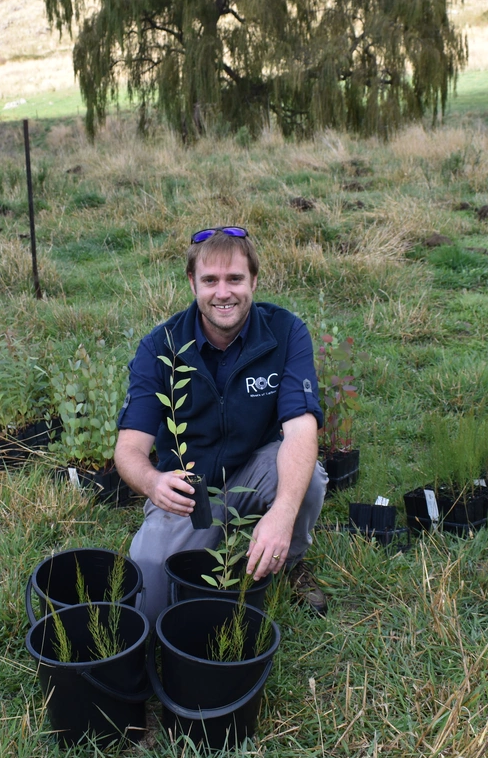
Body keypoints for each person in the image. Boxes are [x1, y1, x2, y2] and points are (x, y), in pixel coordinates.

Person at [114, 225, 329, 621]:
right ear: (192, 283)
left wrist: (282, 514)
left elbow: (301, 429)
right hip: (189, 490)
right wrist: (152, 483)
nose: (223, 293)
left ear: (254, 281)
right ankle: (210, 539)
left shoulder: (284, 332)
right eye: (210, 280)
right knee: (150, 590)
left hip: (255, 468)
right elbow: (129, 447)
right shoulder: (160, 346)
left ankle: (288, 558)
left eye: (235, 279)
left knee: (308, 478)